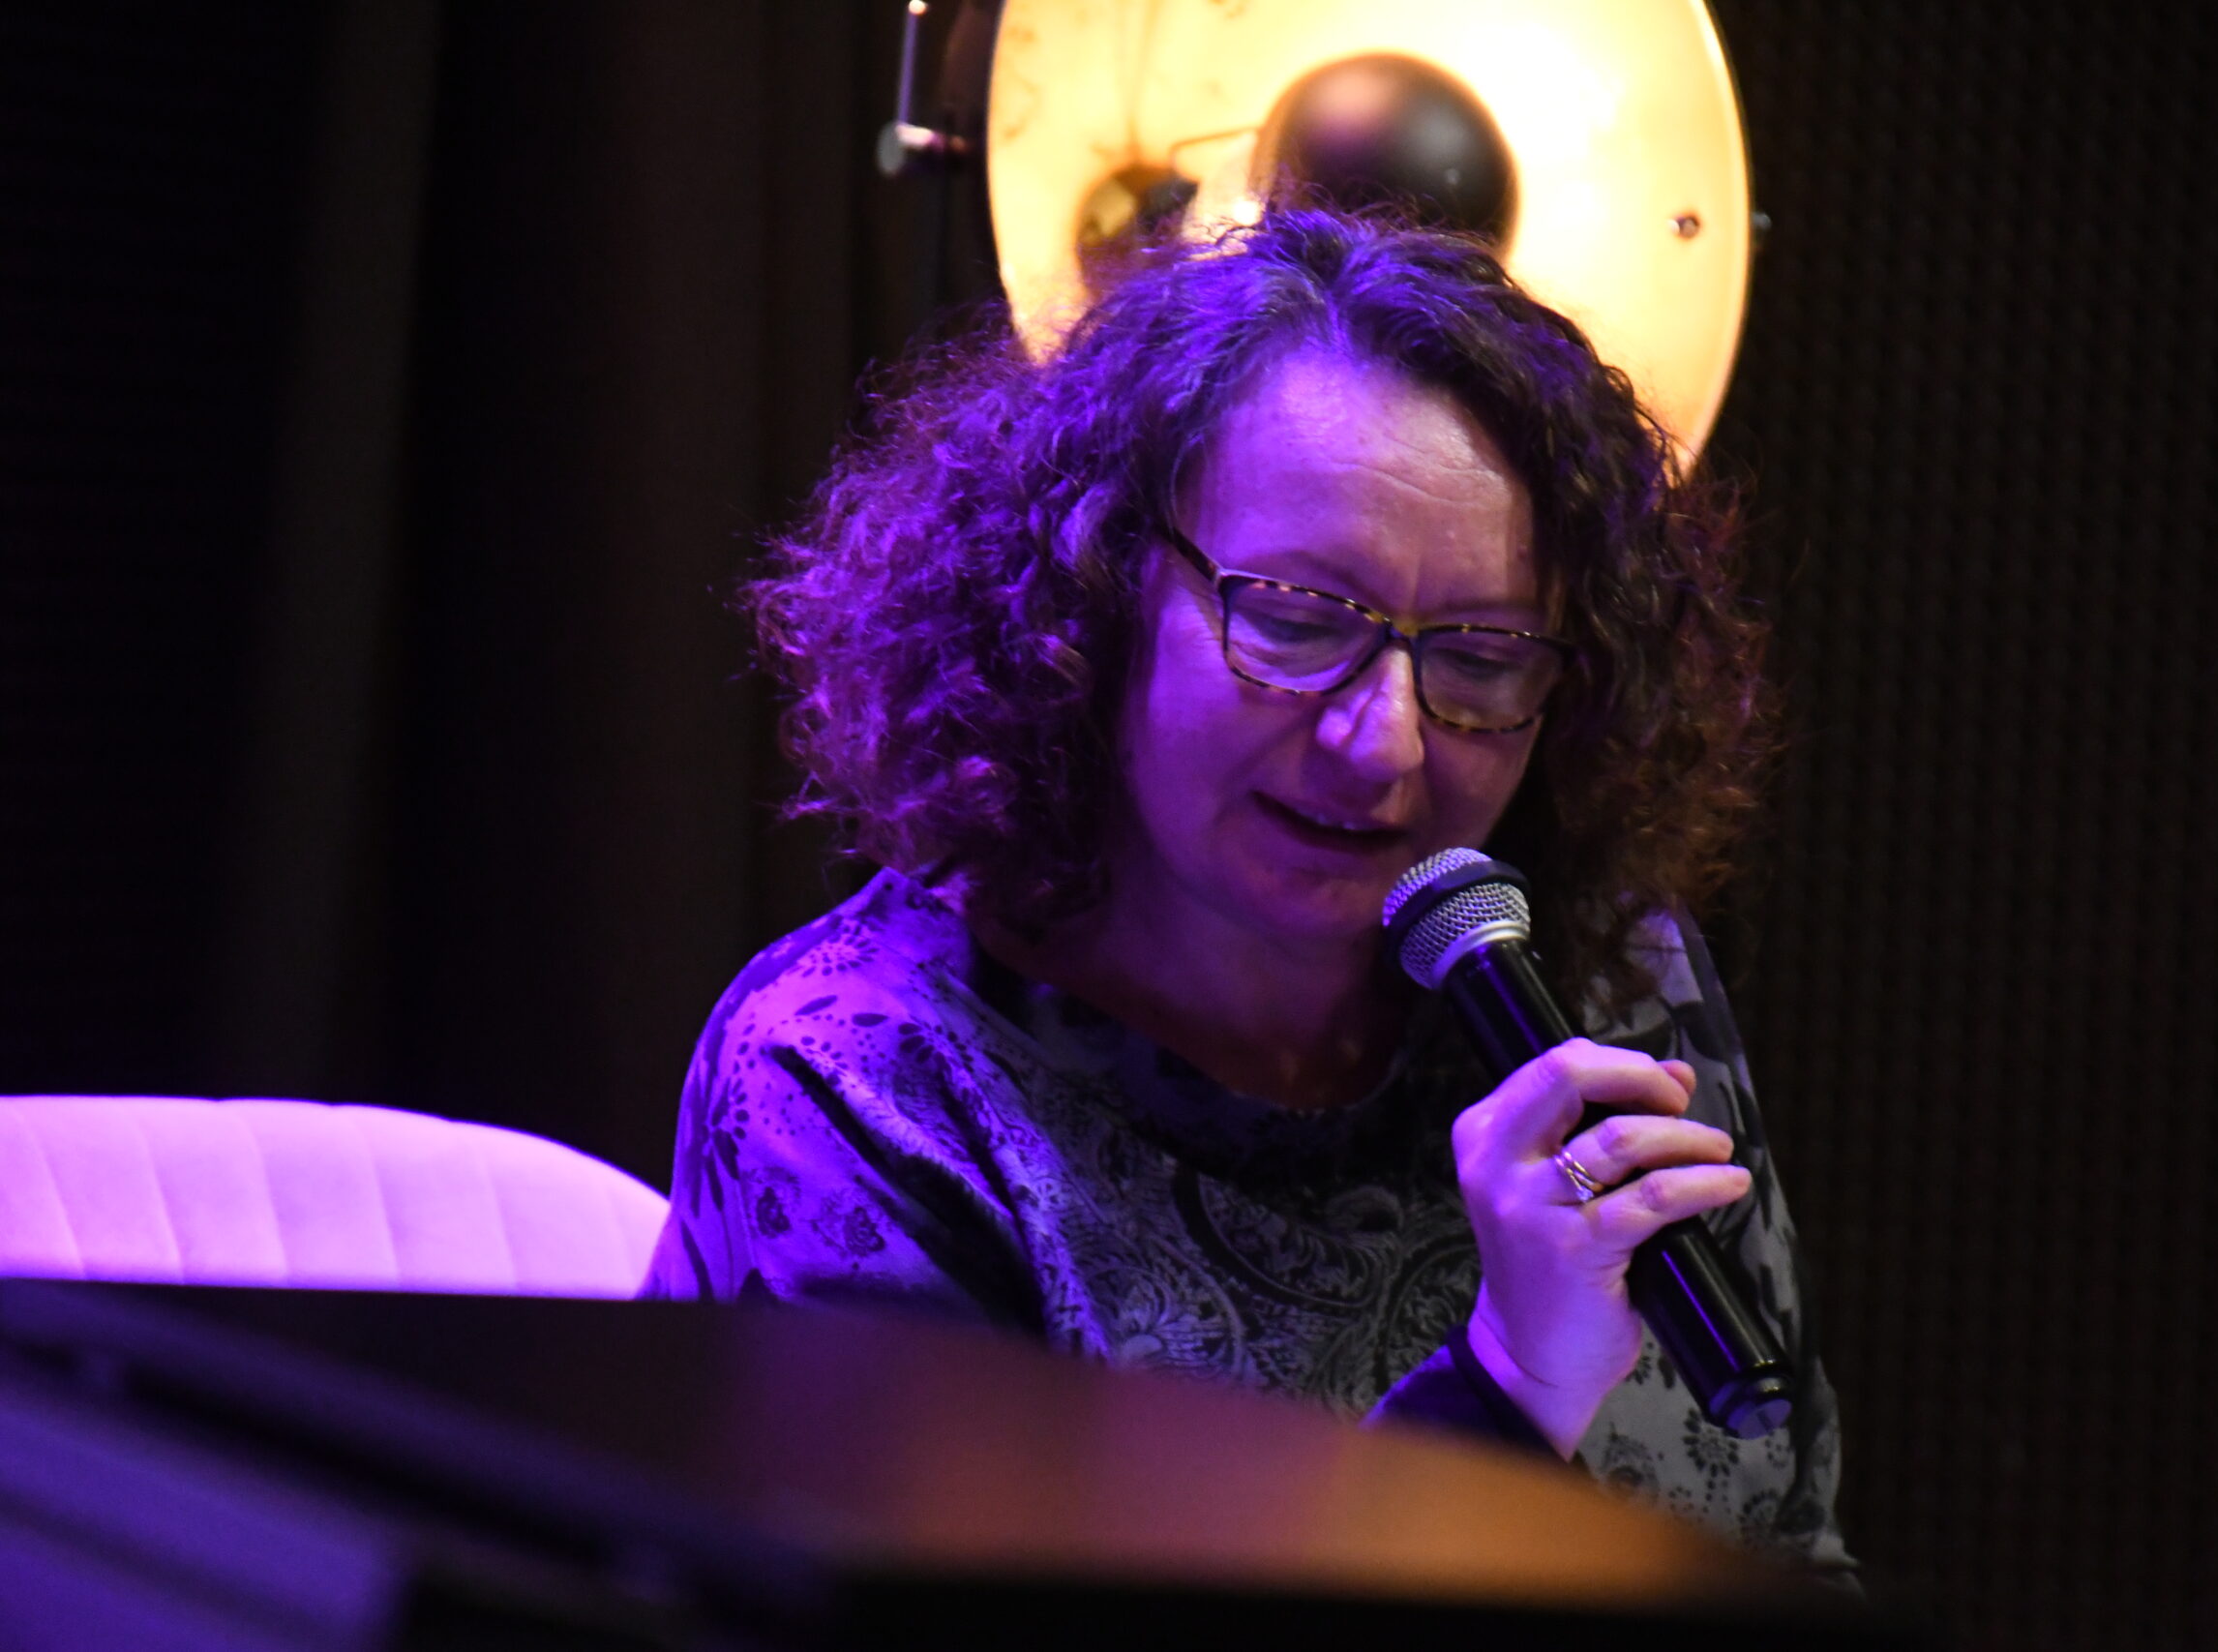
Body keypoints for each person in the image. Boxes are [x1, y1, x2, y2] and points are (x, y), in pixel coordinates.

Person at [643, 209, 1850, 1574]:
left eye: (1482, 656)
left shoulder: (1605, 980)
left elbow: (1787, 1544)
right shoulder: (860, 1079)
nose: (1386, 743)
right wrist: (1509, 1389)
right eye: (1293, 619)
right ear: (1095, 592)